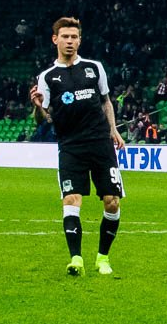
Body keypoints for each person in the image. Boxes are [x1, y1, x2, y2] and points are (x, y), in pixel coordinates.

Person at [29, 17, 126, 277]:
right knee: (71, 199)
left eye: (74, 37)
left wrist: (113, 129)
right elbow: (44, 118)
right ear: (55, 40)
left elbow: (106, 102)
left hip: (100, 144)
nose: (70, 41)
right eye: (65, 37)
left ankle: (103, 258)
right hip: (71, 146)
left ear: (80, 40)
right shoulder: (47, 77)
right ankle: (76, 259)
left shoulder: (94, 68)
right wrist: (37, 107)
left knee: (112, 202)